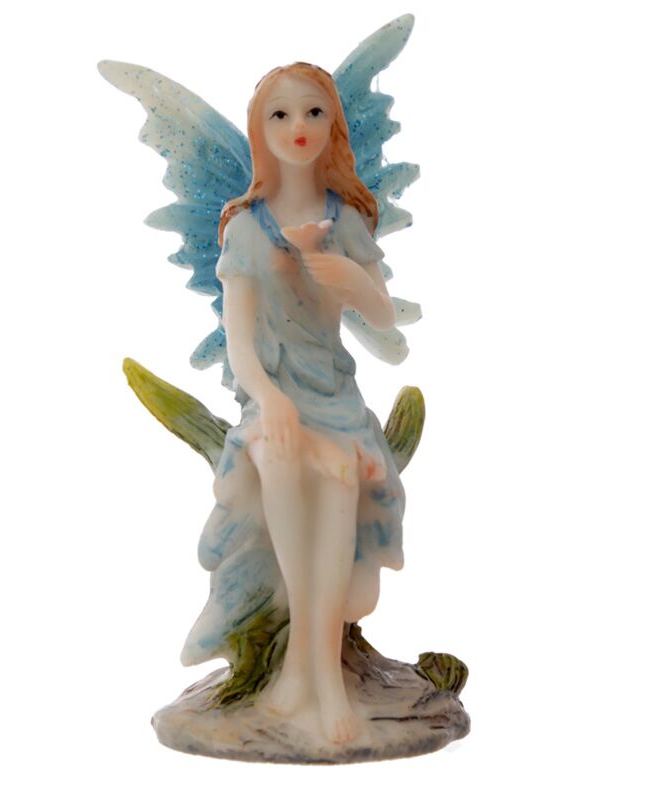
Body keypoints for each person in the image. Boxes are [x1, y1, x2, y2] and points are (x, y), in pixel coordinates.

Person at [181, 62, 405, 745]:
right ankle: (305, 677)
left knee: (339, 472)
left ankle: (319, 678)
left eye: (313, 112)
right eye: (279, 115)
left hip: (333, 397)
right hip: (272, 398)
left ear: (334, 122)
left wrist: (349, 279)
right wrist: (271, 401)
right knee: (280, 461)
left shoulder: (345, 221)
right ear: (260, 130)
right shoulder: (245, 229)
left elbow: (385, 320)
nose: (297, 127)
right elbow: (240, 345)